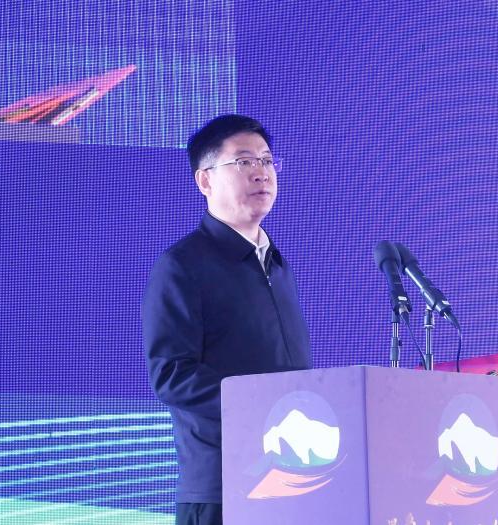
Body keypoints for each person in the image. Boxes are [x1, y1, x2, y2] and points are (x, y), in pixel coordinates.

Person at [142, 114, 312, 525]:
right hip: (223, 488)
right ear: (205, 180)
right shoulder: (183, 265)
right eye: (243, 161)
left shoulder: (277, 265)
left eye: (267, 161)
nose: (261, 172)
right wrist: (264, 408)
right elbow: (172, 375)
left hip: (292, 478)